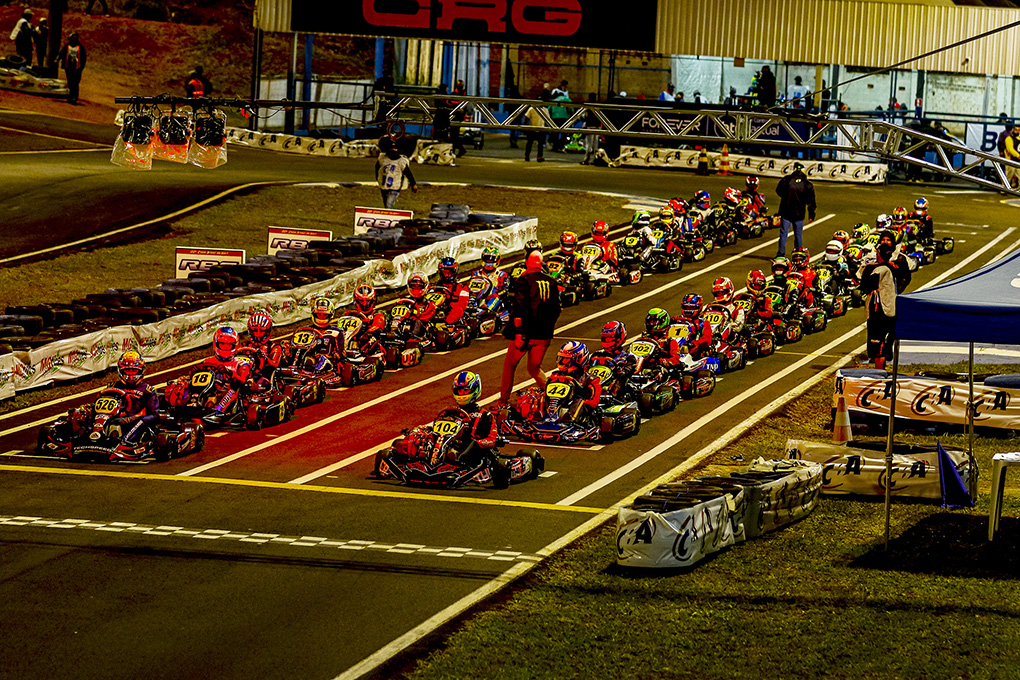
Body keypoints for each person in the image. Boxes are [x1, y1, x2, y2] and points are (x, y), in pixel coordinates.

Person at [498, 250, 561, 407]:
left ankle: (503, 401)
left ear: (527, 262)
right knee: (534, 368)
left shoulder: (523, 280)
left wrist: (519, 333)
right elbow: (557, 309)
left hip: (526, 333)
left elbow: (520, 308)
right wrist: (548, 326)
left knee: (509, 366)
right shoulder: (552, 281)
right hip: (544, 334)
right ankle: (553, 398)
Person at [858, 229, 912, 370]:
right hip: (887, 307)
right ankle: (881, 360)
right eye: (884, 240)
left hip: (881, 309)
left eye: (888, 240)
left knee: (879, 342)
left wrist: (896, 289)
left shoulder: (886, 267)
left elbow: (865, 285)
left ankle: (879, 371)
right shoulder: (883, 265)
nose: (886, 242)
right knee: (881, 340)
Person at [110, 351, 160, 446]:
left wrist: (132, 419)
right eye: (127, 371)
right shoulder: (112, 387)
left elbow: (155, 415)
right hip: (113, 419)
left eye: (134, 371)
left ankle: (123, 443)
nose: (131, 374)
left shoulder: (148, 390)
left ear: (141, 371)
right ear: (121, 370)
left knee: (139, 422)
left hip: (134, 422)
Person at [775, 162, 816, 257]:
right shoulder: (807, 184)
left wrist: (785, 197)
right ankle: (798, 254)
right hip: (799, 212)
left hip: (786, 211)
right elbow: (811, 200)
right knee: (798, 235)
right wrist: (811, 214)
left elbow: (779, 191)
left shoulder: (786, 180)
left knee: (783, 234)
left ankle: (780, 254)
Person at [57, 33, 87, 105]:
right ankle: (70, 96)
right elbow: (62, 53)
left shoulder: (80, 47)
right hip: (68, 67)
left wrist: (81, 67)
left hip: (77, 68)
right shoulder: (67, 46)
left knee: (75, 83)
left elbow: (83, 58)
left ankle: (74, 97)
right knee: (70, 82)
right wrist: (57, 59)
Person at [524, 96, 547, 163]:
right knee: (539, 144)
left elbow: (526, 118)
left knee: (530, 143)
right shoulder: (545, 109)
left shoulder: (531, 109)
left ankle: (527, 156)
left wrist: (525, 126)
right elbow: (547, 120)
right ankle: (539, 157)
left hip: (533, 128)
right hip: (540, 128)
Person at [582, 92, 600, 165]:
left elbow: (584, 116)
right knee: (596, 144)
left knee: (589, 144)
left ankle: (587, 159)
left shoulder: (587, 105)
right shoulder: (598, 105)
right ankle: (595, 159)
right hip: (597, 126)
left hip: (590, 125)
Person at [1005, 124, 1020, 190]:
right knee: (1008, 176)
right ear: (1013, 129)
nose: (1017, 131)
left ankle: (1018, 189)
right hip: (1010, 160)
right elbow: (1010, 149)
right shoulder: (1009, 138)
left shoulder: (1019, 139)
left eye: (1018, 130)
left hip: (1018, 161)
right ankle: (1004, 189)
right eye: (1016, 129)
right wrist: (1018, 155)